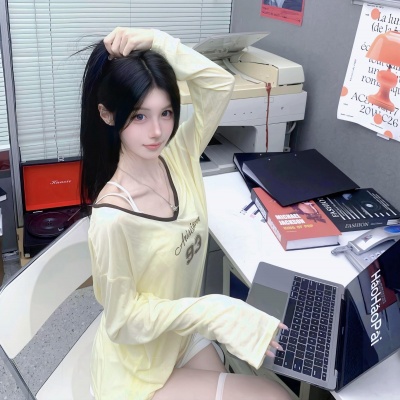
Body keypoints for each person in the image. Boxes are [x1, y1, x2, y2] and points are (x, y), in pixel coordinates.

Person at [80, 27, 291, 400]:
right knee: (276, 396)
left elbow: (219, 85)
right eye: (139, 117)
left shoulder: (177, 155)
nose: (157, 131)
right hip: (137, 368)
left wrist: (157, 41)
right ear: (107, 115)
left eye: (166, 113)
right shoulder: (113, 218)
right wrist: (212, 311)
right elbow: (122, 322)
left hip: (177, 338)